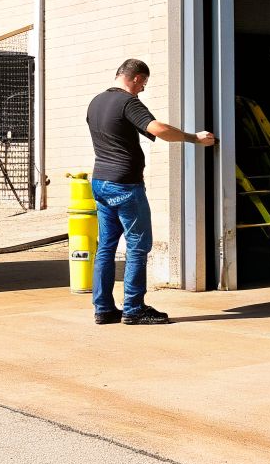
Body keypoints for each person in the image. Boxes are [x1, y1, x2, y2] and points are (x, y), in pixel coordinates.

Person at [85, 58, 215, 325]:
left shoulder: (96, 102)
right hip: (125, 185)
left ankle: (104, 308)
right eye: (143, 83)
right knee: (137, 246)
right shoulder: (127, 102)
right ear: (134, 78)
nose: (142, 89)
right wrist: (194, 138)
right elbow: (157, 128)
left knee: (106, 248)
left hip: (100, 182)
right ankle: (134, 309)